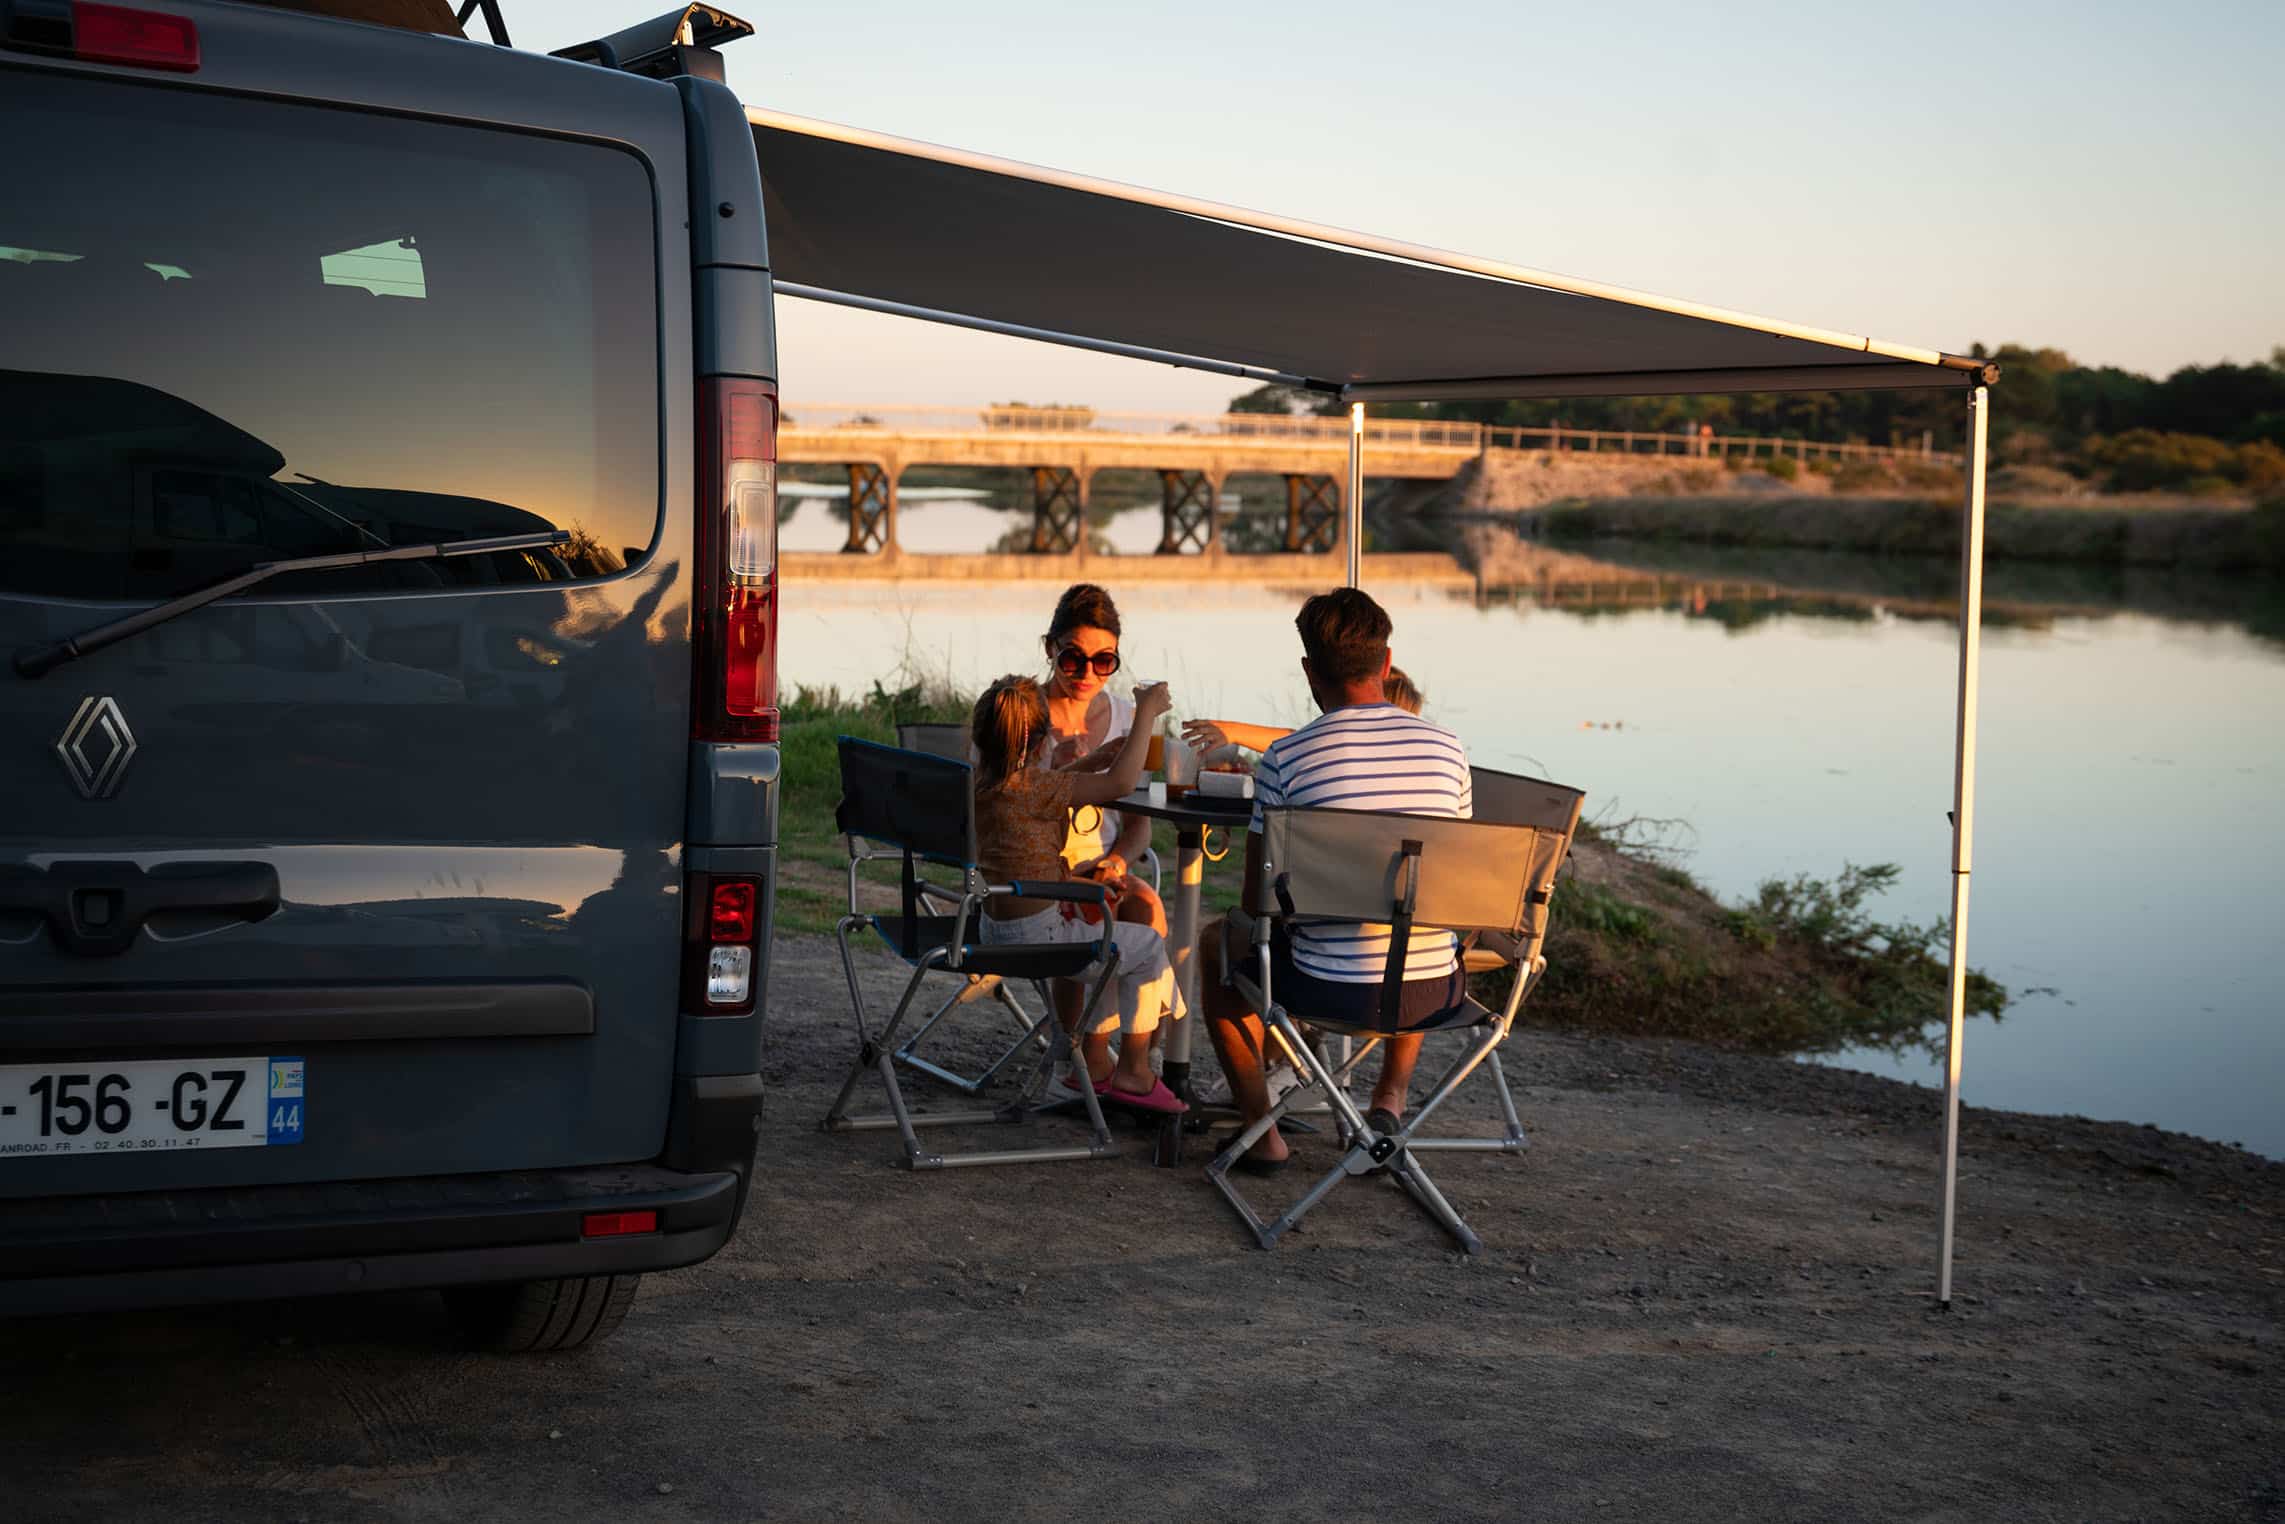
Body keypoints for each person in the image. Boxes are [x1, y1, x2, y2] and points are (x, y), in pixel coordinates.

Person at [1197, 592, 1470, 1173]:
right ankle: (1388, 1098)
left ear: (1308, 670)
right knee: (1417, 922)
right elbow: (1452, 885)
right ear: (1387, 661)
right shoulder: (1449, 751)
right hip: (1435, 992)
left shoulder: (1288, 758)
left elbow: (1256, 902)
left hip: (1327, 989)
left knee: (1215, 944)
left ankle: (1262, 1132)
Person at [970, 673, 1187, 1114]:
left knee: (1106, 939)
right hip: (1038, 939)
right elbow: (1122, 785)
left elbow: (1040, 793)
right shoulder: (1036, 789)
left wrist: (1092, 761)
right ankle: (1136, 1070)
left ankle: (1090, 1063)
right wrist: (1145, 711)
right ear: (1042, 741)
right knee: (1144, 945)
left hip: (992, 929)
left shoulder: (985, 785)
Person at [1038, 584, 1166, 938]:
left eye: (1104, 661)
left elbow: (1139, 825)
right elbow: (1004, 813)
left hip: (1103, 871)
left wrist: (1114, 863)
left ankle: (1146, 995)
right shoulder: (1023, 714)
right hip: (1038, 870)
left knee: (1147, 910)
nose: (1087, 673)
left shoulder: (1128, 720)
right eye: (1072, 658)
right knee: (1088, 913)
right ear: (1050, 648)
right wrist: (1058, 772)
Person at [1179, 666, 1424, 758]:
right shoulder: (1428, 766)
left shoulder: (1330, 758)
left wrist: (1232, 732)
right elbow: (1296, 741)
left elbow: (1297, 743)